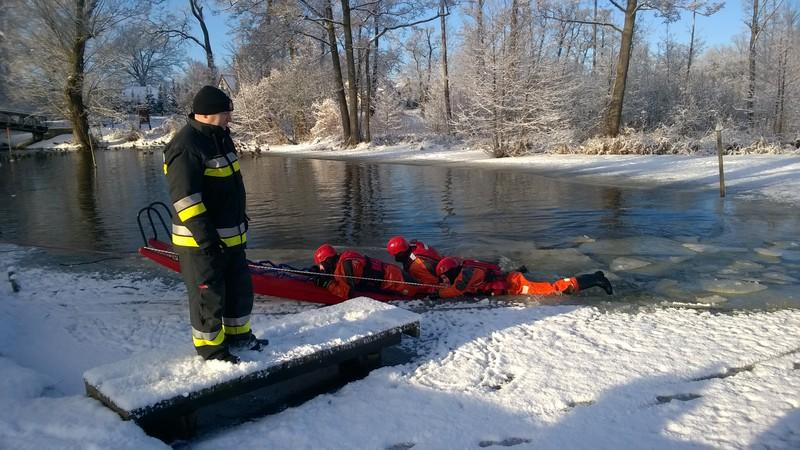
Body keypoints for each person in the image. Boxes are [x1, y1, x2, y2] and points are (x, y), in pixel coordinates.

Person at [164, 85, 266, 364]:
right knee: (208, 298)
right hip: (200, 243)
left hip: (231, 238)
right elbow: (186, 199)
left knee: (239, 290)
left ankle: (239, 337)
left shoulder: (221, 138)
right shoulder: (185, 146)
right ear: (205, 114)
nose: (229, 119)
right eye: (224, 113)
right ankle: (212, 351)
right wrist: (207, 239)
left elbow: (229, 187)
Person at [435, 256, 613, 299]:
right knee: (553, 288)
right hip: (512, 281)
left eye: (445, 276)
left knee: (556, 289)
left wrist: (437, 294)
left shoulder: (465, 274)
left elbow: (456, 290)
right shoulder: (466, 267)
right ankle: (593, 277)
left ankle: (595, 279)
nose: (445, 279)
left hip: (517, 285)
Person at [313, 244, 423, 299]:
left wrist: (328, 284)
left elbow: (348, 294)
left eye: (321, 265)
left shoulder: (347, 266)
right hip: (392, 272)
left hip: (397, 281)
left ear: (328, 261)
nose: (322, 268)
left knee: (420, 292)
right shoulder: (342, 260)